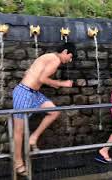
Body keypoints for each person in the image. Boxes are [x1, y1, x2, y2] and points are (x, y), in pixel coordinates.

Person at [12, 42, 77, 176]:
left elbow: (30, 72)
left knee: (54, 111)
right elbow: (42, 78)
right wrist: (61, 83)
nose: (69, 60)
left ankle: (33, 138)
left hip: (33, 93)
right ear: (65, 51)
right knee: (19, 131)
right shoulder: (55, 60)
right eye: (70, 57)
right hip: (24, 92)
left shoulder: (49, 57)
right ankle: (17, 163)